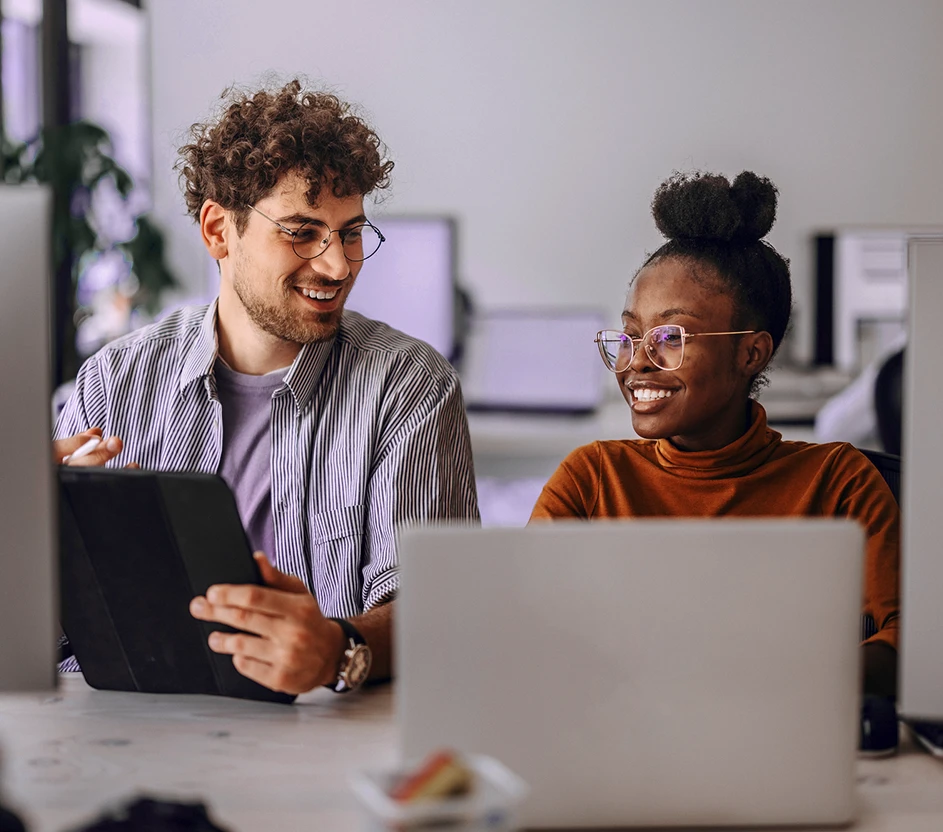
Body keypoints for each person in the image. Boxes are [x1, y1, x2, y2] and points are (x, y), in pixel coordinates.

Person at [53, 80, 479, 695]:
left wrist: (338, 648)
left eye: (351, 232)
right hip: (121, 724)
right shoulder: (115, 379)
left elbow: (442, 612)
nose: (337, 265)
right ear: (219, 232)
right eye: (303, 232)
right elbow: (56, 622)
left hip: (314, 740)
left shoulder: (408, 385)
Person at [530, 171, 899, 696]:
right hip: (619, 736)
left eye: (671, 337)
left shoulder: (839, 481)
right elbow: (521, 631)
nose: (638, 362)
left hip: (781, 740)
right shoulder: (591, 479)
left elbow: (909, 639)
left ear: (752, 353)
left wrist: (793, 681)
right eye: (632, 335)